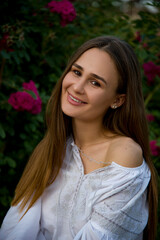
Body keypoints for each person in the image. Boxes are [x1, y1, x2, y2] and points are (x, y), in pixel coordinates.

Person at [0, 36, 158, 240]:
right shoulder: (53, 148)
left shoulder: (123, 153)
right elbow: (15, 229)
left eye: (95, 82)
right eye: (76, 72)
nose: (77, 87)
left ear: (117, 100)